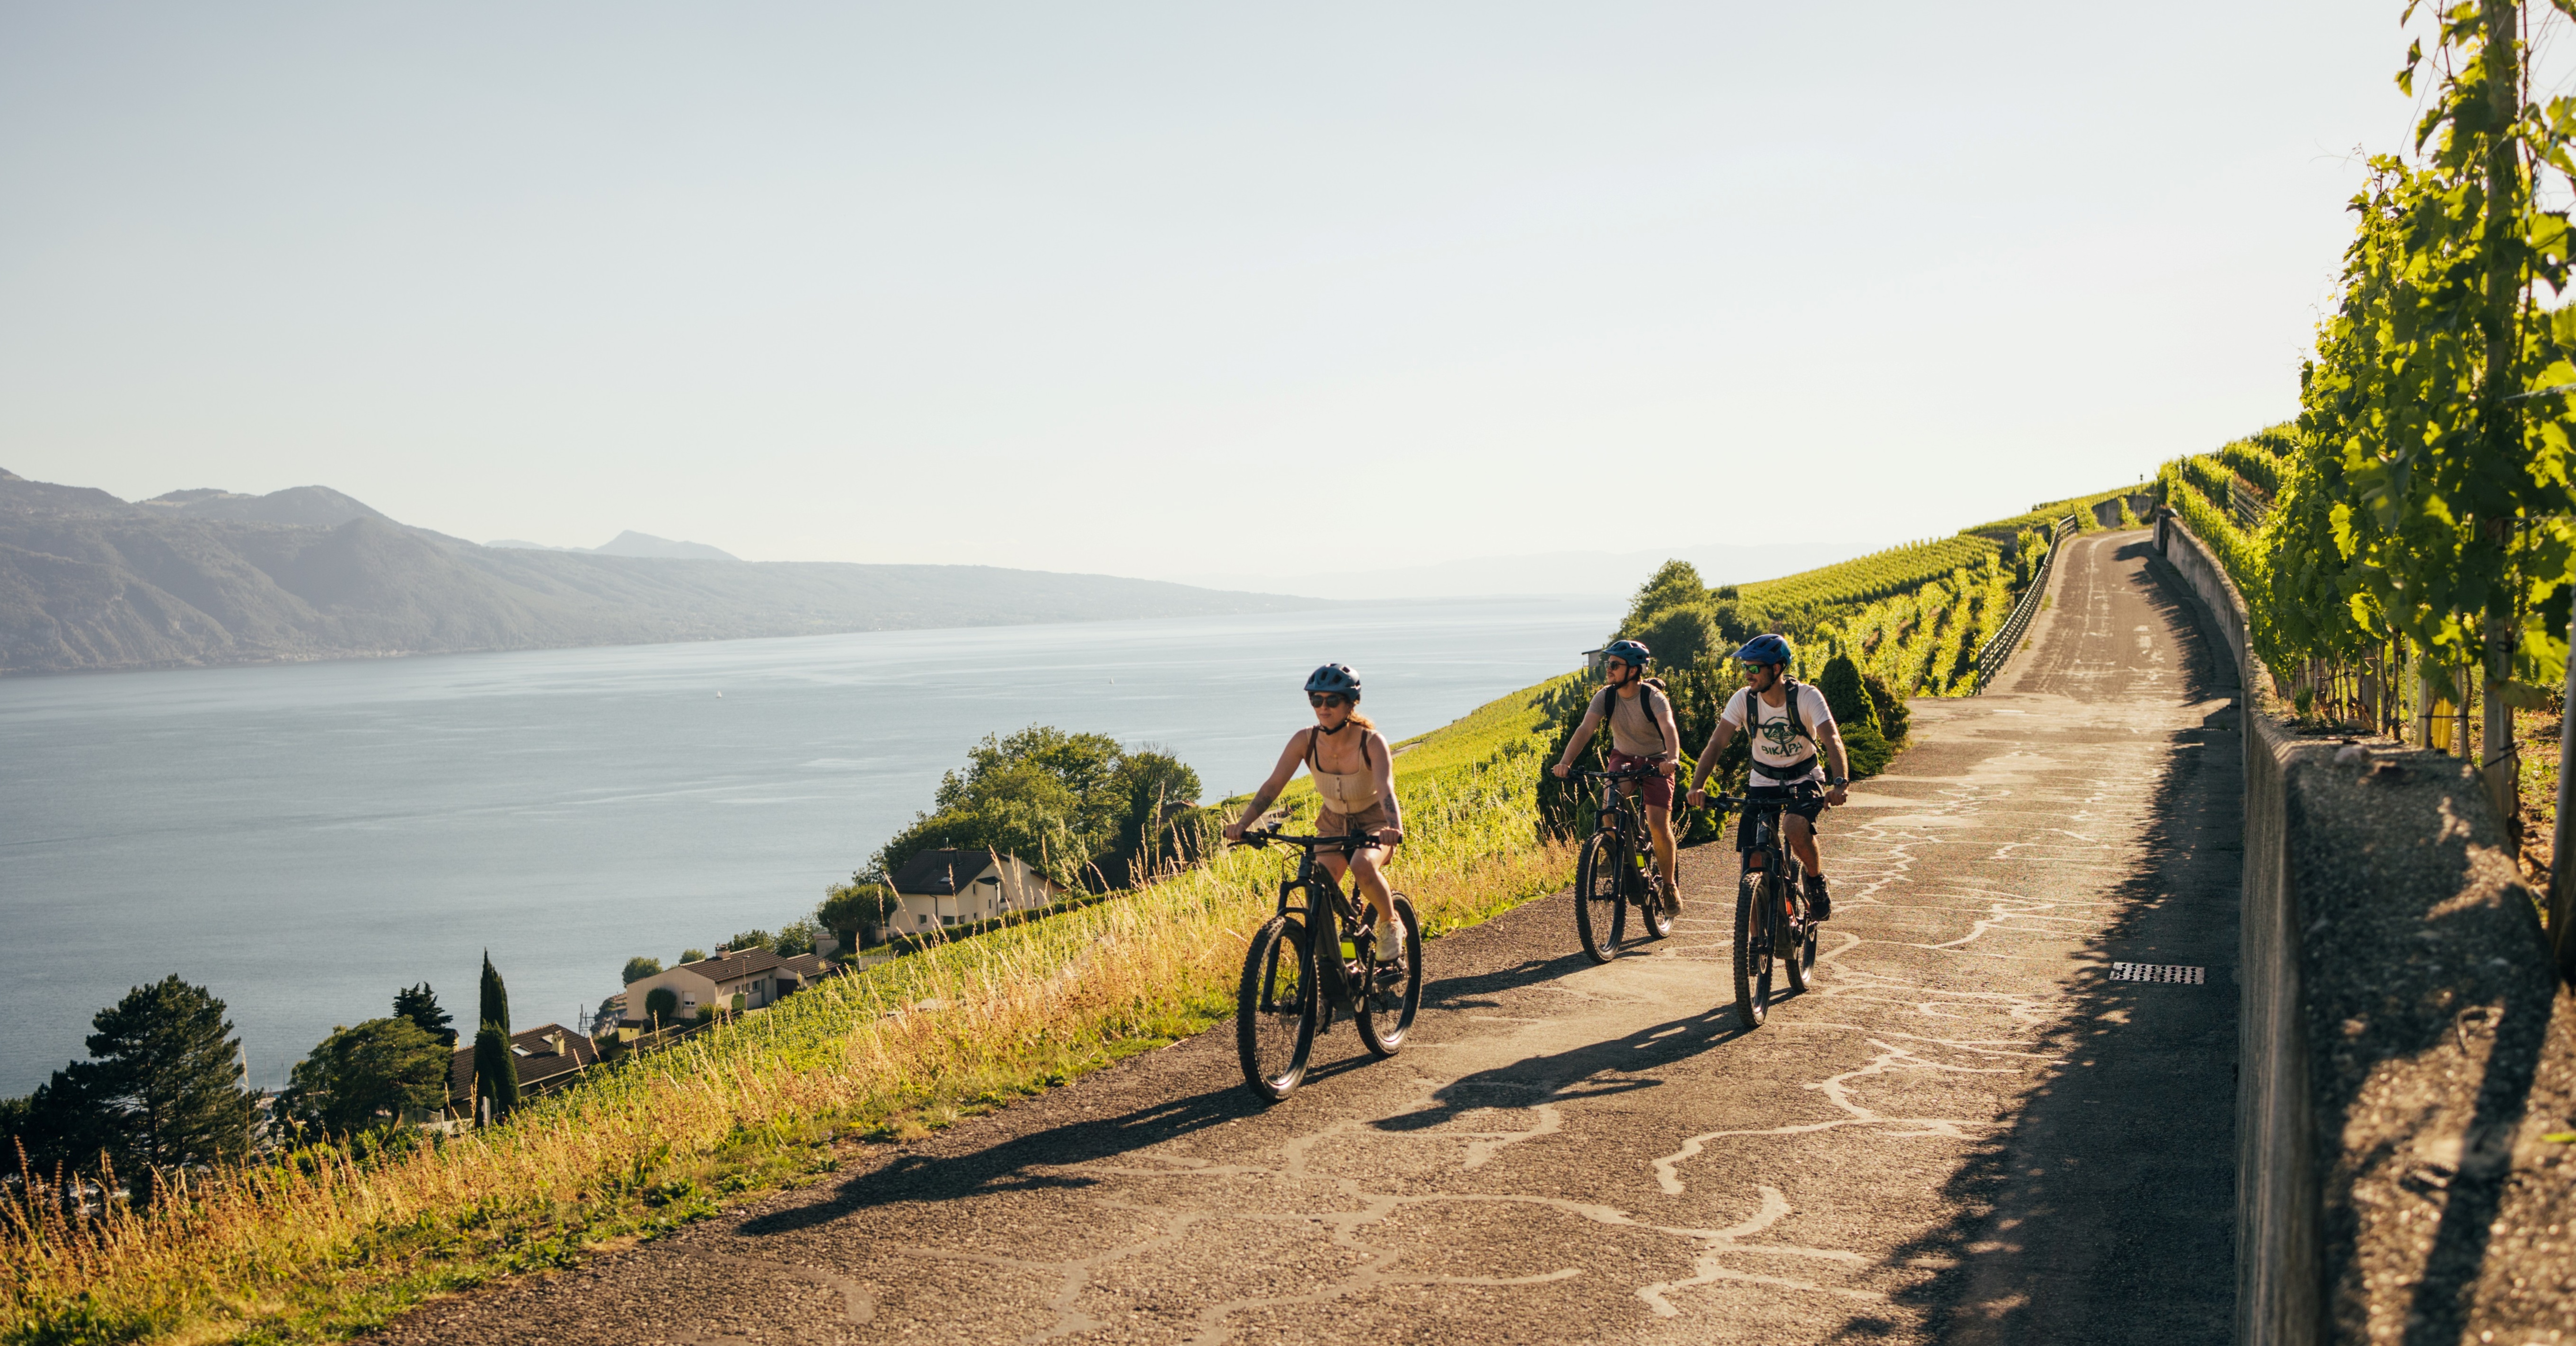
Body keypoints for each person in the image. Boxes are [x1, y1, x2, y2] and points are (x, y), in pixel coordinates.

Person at [1225, 663, 1407, 959]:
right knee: (1317, 890)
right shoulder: (1305, 740)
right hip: (1333, 823)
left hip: (1374, 822)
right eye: (1316, 700)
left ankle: (1390, 923)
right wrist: (1242, 825)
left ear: (1350, 703)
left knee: (1363, 867)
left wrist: (1393, 827)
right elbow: (1273, 787)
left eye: (1332, 700)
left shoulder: (1371, 742)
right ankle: (1335, 960)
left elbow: (1386, 789)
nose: (1323, 707)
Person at [1685, 634, 1849, 919]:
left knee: (1794, 826)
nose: (1748, 674)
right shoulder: (1743, 700)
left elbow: (1832, 739)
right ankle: (1751, 946)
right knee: (1752, 860)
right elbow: (1716, 744)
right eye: (1745, 668)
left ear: (1776, 668)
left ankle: (1814, 879)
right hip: (1762, 781)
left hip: (1804, 778)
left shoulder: (1807, 697)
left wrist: (1840, 783)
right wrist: (1697, 785)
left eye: (1755, 668)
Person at [1549, 639, 1684, 913]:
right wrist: (1565, 762)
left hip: (1657, 761)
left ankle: (1669, 886)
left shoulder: (1653, 697)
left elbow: (1669, 728)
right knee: (1610, 803)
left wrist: (1672, 759)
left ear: (1634, 670)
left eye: (1614, 665)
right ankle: (1610, 848)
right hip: (1623, 758)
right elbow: (1585, 730)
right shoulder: (1606, 696)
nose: (1608, 669)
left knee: (1658, 824)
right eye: (1608, 664)